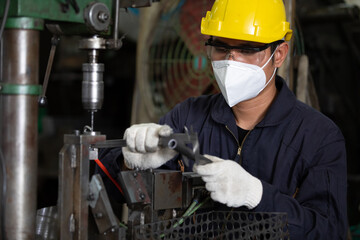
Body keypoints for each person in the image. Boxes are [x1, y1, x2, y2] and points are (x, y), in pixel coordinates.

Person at [97, 0, 348, 239]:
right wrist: (131, 163)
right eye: (222, 48)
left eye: (247, 49)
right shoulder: (188, 116)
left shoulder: (318, 137)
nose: (231, 60)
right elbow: (108, 191)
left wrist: (258, 195)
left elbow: (328, 231)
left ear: (279, 53)